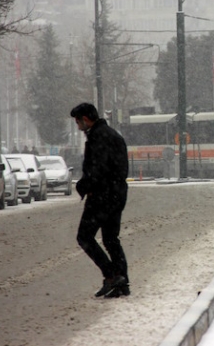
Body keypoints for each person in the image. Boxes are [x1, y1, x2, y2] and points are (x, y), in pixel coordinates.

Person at [70, 102, 130, 298]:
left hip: (101, 196)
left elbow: (98, 170)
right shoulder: (114, 135)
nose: (78, 127)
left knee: (84, 237)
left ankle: (112, 276)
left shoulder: (97, 138)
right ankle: (122, 282)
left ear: (86, 120)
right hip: (117, 194)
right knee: (111, 239)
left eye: (78, 122)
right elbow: (118, 168)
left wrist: (84, 186)